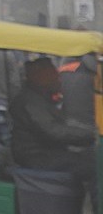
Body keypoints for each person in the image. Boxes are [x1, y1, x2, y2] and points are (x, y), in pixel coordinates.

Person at [9, 56, 95, 204]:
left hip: (45, 152)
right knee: (95, 167)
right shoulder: (30, 102)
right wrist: (91, 136)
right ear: (40, 77)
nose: (58, 77)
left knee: (91, 159)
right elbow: (53, 131)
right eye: (53, 74)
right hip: (37, 156)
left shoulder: (38, 97)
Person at [59, 53, 99, 209]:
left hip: (69, 134)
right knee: (96, 181)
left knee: (77, 181)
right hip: (94, 135)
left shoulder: (64, 71)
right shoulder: (97, 73)